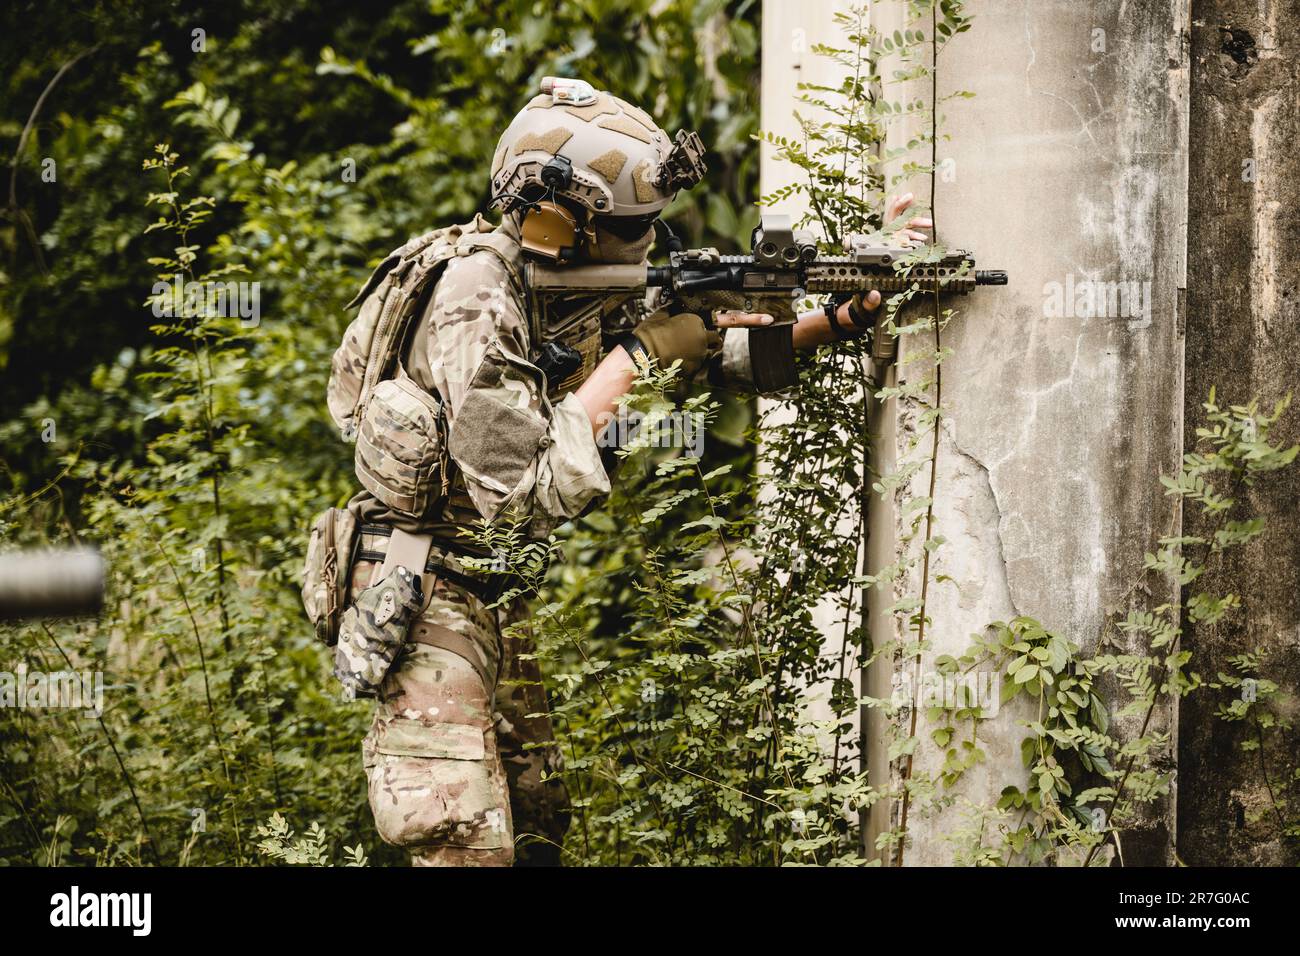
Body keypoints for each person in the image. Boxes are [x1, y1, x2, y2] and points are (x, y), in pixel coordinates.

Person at [344, 77, 932, 866]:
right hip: (422, 583)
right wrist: (637, 354)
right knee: (460, 838)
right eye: (630, 227)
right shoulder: (473, 300)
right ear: (561, 221)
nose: (646, 244)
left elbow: (705, 354)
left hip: (487, 587)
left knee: (537, 821)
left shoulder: (554, 283)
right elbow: (523, 494)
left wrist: (840, 317)